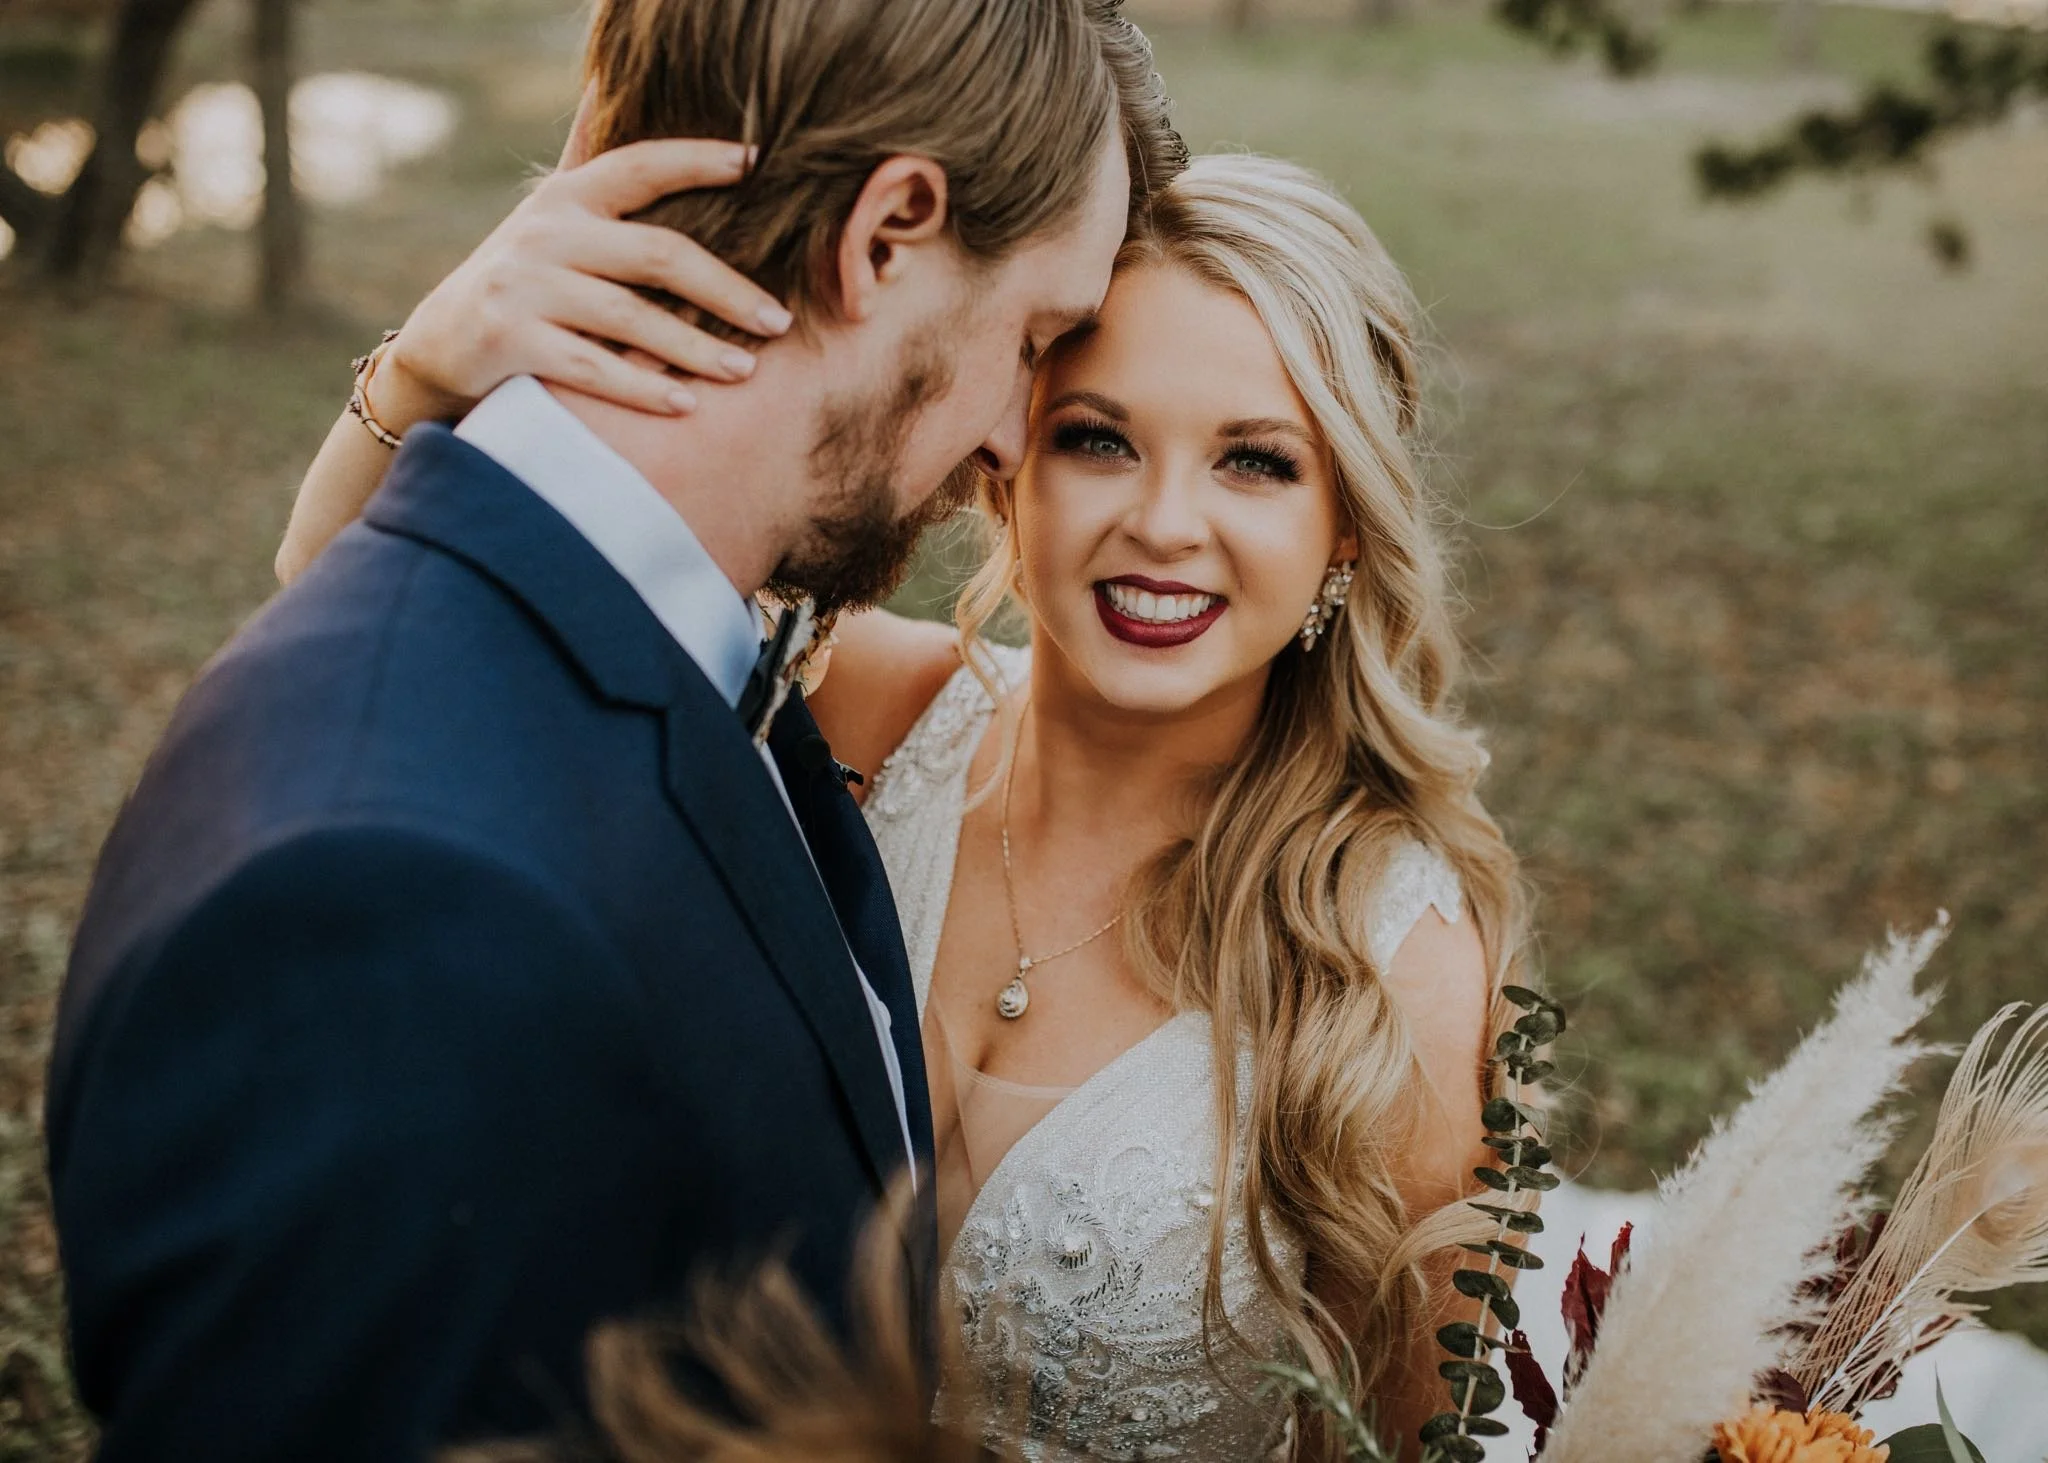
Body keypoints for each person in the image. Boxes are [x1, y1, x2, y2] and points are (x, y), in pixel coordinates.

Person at [45, 2, 1182, 1460]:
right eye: (1031, 337)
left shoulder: (658, 637)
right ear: (887, 233)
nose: (1020, 441)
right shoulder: (391, 912)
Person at [277, 150, 1530, 1460]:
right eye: (1098, 438)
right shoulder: (851, 707)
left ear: (1343, 527)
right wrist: (422, 372)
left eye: (1255, 463)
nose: (1166, 523)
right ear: (1008, 461)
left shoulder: (1403, 978)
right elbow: (384, 635)